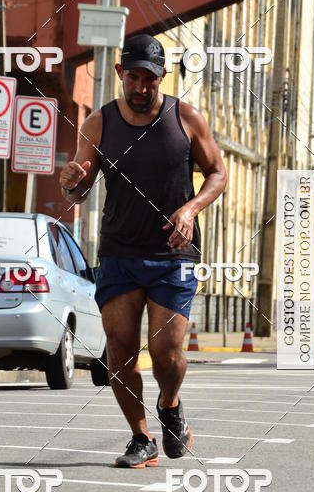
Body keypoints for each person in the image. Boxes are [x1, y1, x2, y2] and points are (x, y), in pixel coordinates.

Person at [59, 34, 227, 468]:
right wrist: (70, 181)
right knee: (120, 351)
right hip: (119, 253)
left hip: (173, 253)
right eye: (132, 77)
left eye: (149, 79)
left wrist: (190, 209)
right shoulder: (100, 123)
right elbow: (79, 190)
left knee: (168, 351)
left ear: (162, 77)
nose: (140, 87)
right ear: (119, 74)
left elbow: (218, 173)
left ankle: (170, 404)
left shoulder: (185, 118)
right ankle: (141, 437)